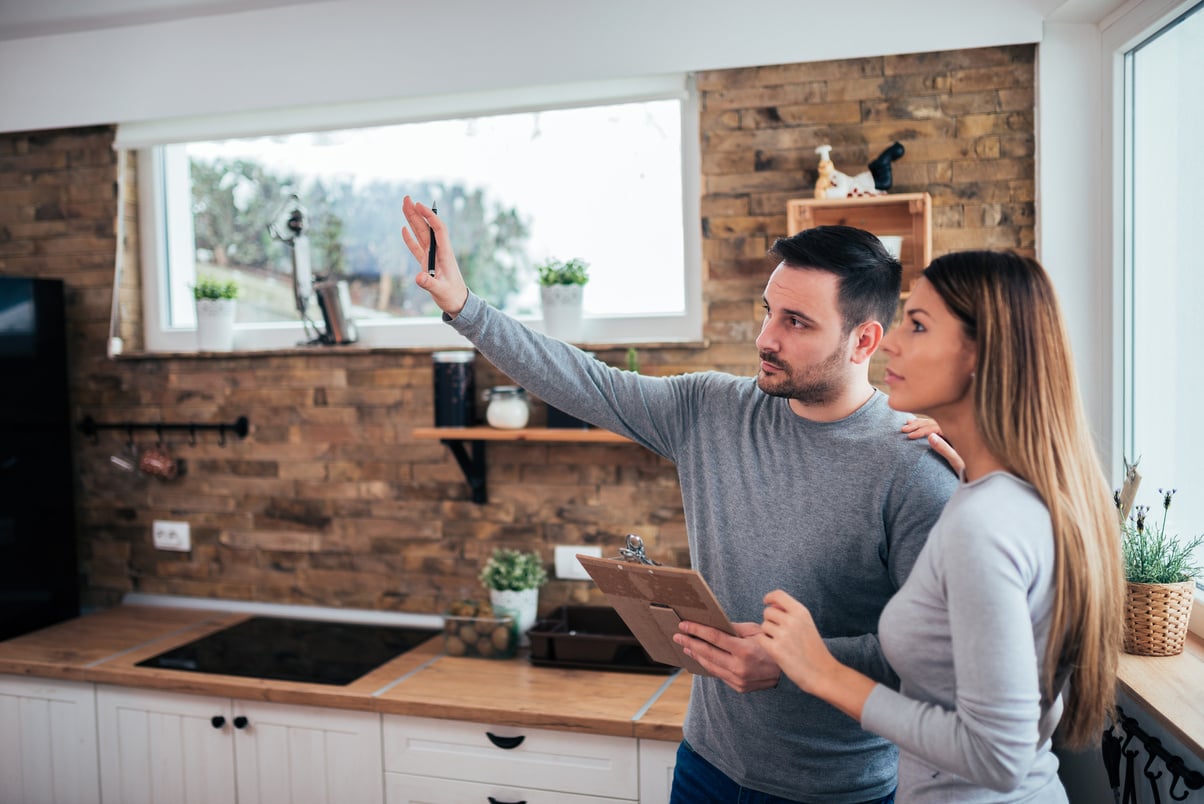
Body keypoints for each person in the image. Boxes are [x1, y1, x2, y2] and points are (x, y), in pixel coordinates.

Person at [401, 196, 958, 804]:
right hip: (706, 767)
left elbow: (936, 654)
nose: (764, 338)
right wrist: (464, 306)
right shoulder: (710, 409)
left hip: (835, 791)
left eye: (796, 322)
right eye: (768, 312)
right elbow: (585, 382)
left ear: (864, 340)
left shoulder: (914, 468)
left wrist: (797, 661)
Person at [759, 250, 1125, 802]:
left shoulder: (985, 524)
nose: (890, 342)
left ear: (982, 355)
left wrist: (821, 672)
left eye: (919, 325)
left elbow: (997, 756)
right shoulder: (1014, 495)